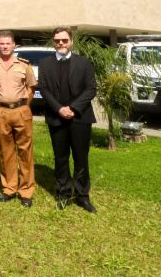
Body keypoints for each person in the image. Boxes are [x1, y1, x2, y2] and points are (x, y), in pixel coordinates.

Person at [37, 27, 98, 213]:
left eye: (64, 40)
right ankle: (64, 193)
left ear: (71, 41)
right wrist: (59, 109)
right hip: (57, 118)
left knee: (81, 158)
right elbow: (44, 90)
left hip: (80, 118)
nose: (60, 44)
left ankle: (82, 196)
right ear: (54, 42)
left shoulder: (83, 62)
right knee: (61, 158)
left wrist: (72, 108)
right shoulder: (45, 64)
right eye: (57, 41)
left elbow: (91, 89)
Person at [0, 31, 37, 208]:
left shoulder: (24, 64)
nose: (5, 46)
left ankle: (26, 191)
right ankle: (9, 188)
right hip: (1, 111)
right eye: (2, 43)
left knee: (25, 151)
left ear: (14, 44)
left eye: (8, 43)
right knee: (6, 152)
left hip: (21, 111)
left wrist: (23, 106)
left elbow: (31, 88)